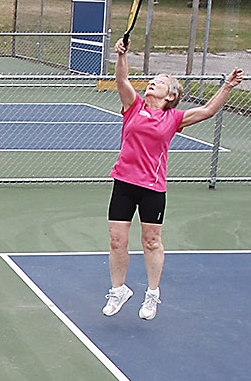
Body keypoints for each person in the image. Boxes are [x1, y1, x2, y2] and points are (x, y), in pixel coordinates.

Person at [103, 43, 243, 320]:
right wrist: (121, 55)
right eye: (153, 80)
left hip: (152, 188)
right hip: (124, 183)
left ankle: (152, 295)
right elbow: (121, 79)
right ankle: (118, 290)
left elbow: (207, 111)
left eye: (161, 82)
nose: (153, 82)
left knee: (151, 241)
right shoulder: (134, 107)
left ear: (172, 95)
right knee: (117, 240)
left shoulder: (173, 118)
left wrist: (226, 86)